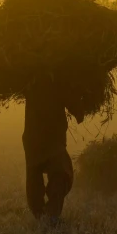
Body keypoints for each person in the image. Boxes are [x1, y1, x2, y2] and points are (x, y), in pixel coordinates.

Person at [22, 77, 84, 224]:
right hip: (52, 138)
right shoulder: (57, 80)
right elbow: (74, 104)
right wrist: (80, 110)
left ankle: (39, 213)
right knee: (62, 173)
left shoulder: (30, 80)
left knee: (34, 173)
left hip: (32, 138)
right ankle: (51, 213)